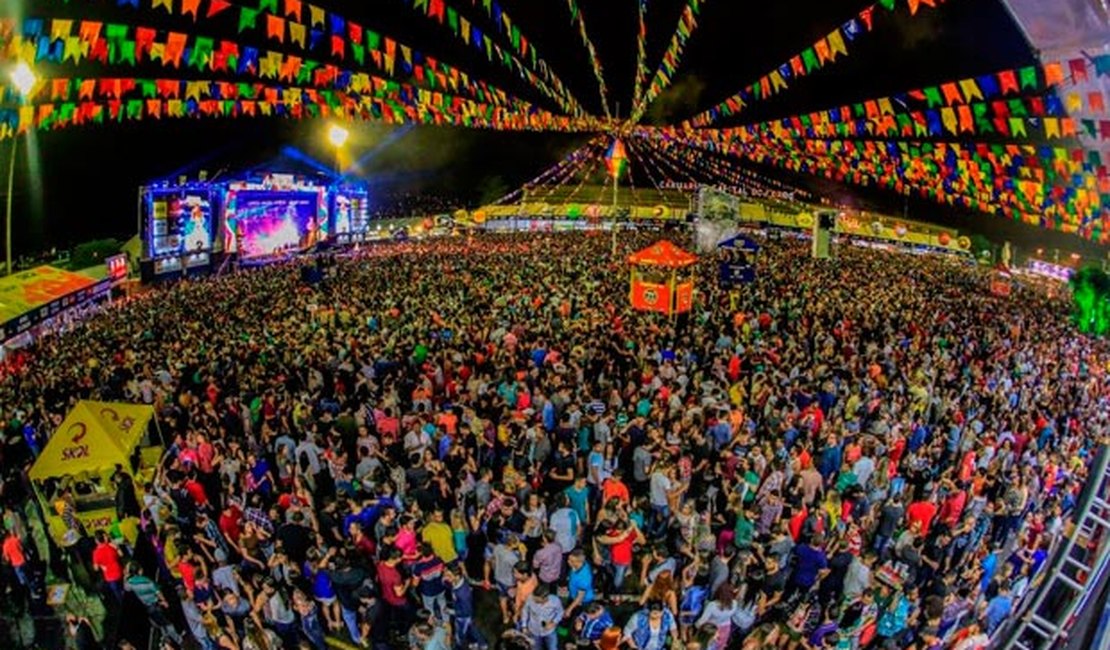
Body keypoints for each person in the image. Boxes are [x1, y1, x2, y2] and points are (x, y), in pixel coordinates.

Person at [519, 583, 563, 650]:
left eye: (537, 600)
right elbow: (525, 611)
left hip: (549, 632)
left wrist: (553, 623)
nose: (533, 600)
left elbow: (560, 612)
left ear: (545, 598)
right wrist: (524, 626)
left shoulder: (555, 601)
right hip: (534, 631)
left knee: (553, 648)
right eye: (534, 598)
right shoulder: (530, 598)